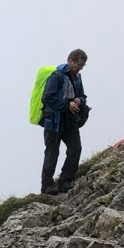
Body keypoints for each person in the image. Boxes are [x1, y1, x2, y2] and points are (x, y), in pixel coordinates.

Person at [40, 49, 89, 194]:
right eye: (79, 64)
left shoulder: (77, 78)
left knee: (75, 148)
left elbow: (82, 95)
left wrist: (80, 101)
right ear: (70, 61)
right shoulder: (56, 76)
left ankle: (65, 180)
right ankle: (47, 186)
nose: (80, 67)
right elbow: (47, 98)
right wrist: (67, 105)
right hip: (53, 122)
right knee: (52, 153)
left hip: (69, 120)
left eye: (83, 65)